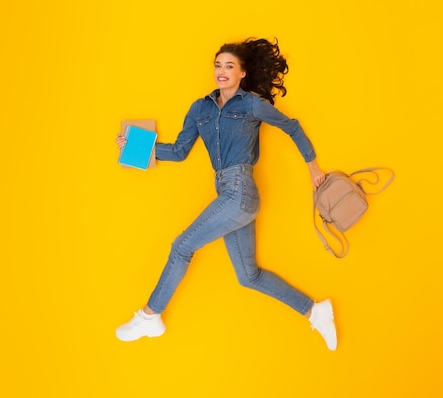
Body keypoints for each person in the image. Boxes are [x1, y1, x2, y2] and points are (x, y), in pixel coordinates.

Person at [115, 38, 337, 351]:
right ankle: (315, 311)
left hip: (240, 189)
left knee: (181, 246)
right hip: (228, 193)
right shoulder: (200, 108)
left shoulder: (251, 105)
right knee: (248, 276)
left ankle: (150, 315)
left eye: (229, 66)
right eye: (218, 65)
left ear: (242, 73)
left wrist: (314, 168)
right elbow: (179, 152)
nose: (222, 71)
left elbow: (293, 127)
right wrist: (134, 146)